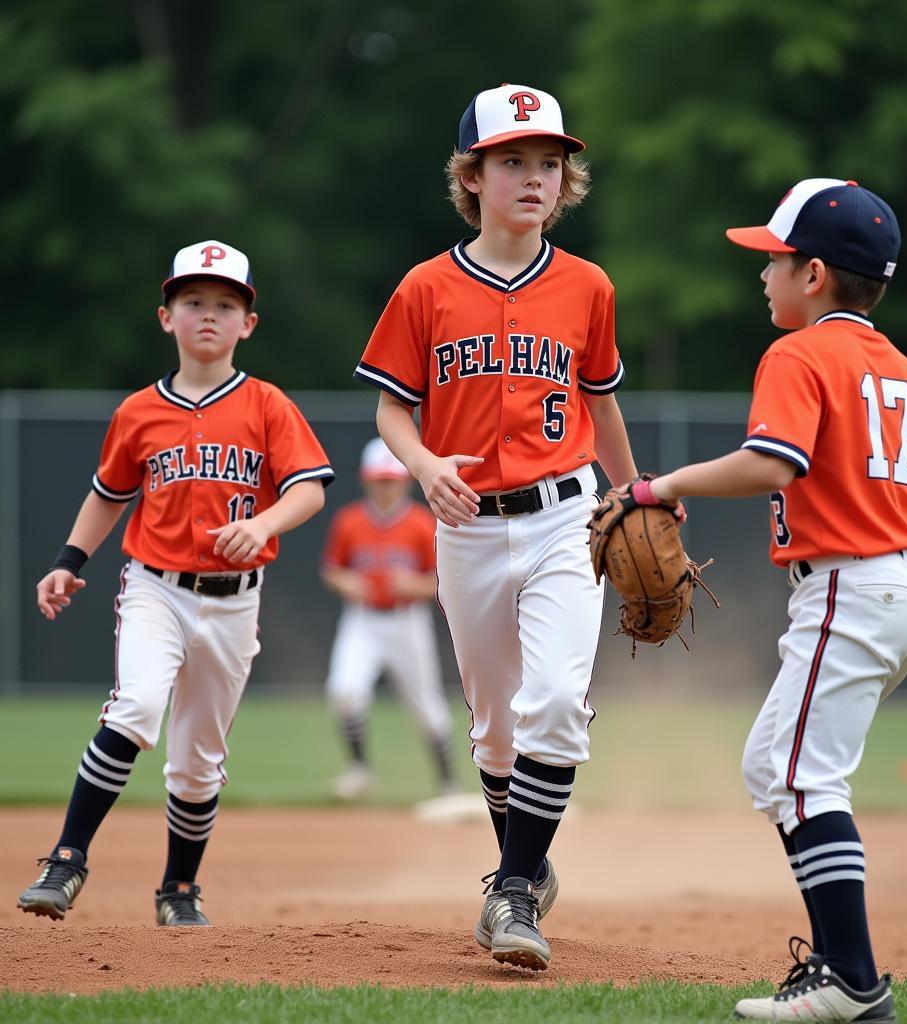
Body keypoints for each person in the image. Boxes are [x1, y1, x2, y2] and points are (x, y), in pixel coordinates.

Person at [627, 179, 907, 1021]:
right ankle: (842, 972)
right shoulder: (903, 367)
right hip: (905, 581)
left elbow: (772, 463)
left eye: (772, 260)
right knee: (773, 768)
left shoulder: (800, 354)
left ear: (814, 274)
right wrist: (906, 575)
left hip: (851, 584)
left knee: (805, 780)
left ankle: (852, 980)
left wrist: (656, 486)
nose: (762, 275)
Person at [353, 83, 638, 970]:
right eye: (511, 160)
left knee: (554, 701)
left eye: (549, 163)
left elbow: (602, 401)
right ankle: (524, 872)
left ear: (565, 182)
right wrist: (424, 464)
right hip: (468, 528)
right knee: (494, 730)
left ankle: (512, 892)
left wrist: (637, 497)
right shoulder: (426, 287)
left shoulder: (588, 286)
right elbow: (392, 412)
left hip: (564, 519)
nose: (534, 177)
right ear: (471, 177)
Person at [17, 240, 334, 926]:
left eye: (226, 304)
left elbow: (309, 489)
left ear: (248, 324)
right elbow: (109, 494)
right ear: (167, 317)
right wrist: (70, 561)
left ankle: (178, 889)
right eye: (193, 302)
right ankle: (66, 859)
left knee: (198, 762)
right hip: (155, 588)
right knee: (135, 708)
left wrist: (266, 523)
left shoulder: (266, 405)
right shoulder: (140, 411)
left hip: (233, 603)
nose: (209, 315)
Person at [320, 436, 456, 801]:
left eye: (391, 480)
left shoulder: (422, 523)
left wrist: (415, 585)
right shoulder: (349, 520)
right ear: (366, 479)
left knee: (428, 707)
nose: (385, 487)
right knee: (345, 691)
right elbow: (332, 570)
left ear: (406, 481)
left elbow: (444, 583)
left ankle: (448, 785)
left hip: (407, 622)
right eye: (379, 480)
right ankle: (359, 770)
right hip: (362, 620)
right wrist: (346, 581)